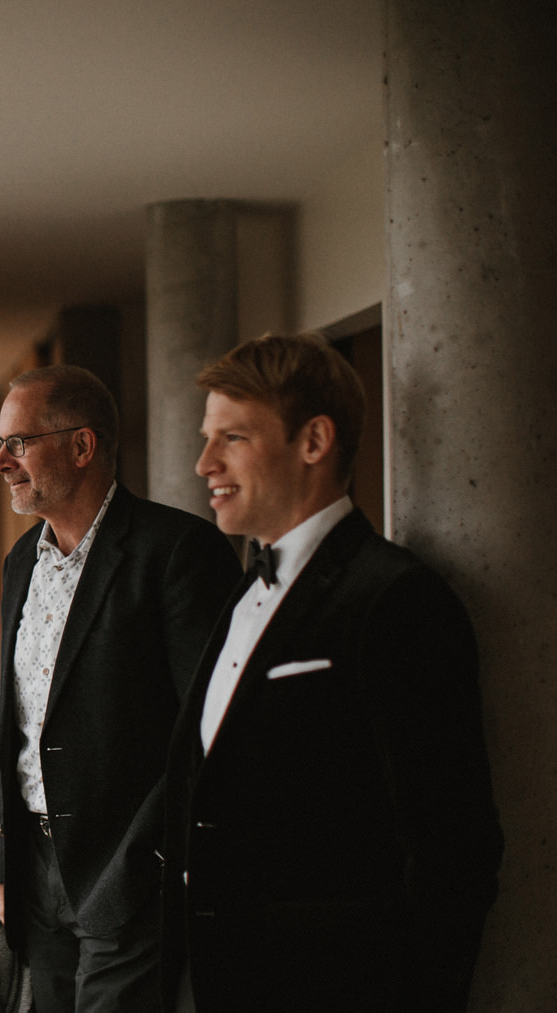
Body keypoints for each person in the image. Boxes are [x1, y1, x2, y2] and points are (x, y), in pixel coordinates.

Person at [162, 333, 503, 1012]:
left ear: (314, 441)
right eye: (207, 438)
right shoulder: (245, 588)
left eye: (233, 437)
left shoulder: (397, 599)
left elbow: (453, 848)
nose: (204, 463)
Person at [0, 365, 239, 1012]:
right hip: (34, 879)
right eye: (0, 444)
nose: (1, 462)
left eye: (18, 443)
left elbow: (208, 734)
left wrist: (140, 868)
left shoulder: (177, 552)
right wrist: (2, 871)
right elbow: (20, 734)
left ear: (82, 446)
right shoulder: (20, 564)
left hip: (128, 878)